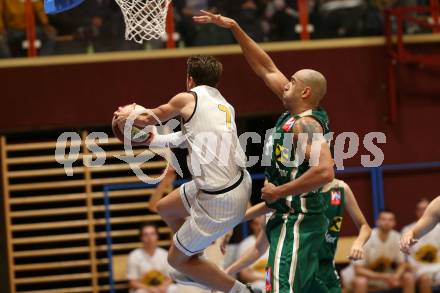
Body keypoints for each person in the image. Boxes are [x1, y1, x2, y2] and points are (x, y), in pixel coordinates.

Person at [194, 10, 335, 292]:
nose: (286, 83)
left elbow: (325, 171)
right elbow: (265, 67)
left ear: (305, 92)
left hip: (299, 223)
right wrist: (233, 26)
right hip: (286, 218)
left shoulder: (305, 125)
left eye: (292, 82)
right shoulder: (293, 116)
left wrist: (279, 192)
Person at [114, 55, 255, 293]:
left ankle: (241, 291)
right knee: (165, 207)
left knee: (174, 263)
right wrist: (155, 139)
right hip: (232, 185)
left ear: (189, 80)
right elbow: (188, 138)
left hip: (219, 200)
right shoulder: (224, 104)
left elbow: (150, 117)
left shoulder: (187, 98)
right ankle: (193, 257)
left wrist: (124, 116)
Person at [223, 179, 371, 293]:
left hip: (324, 269)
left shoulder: (340, 189)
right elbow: (259, 247)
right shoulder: (291, 192)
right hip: (289, 271)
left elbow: (364, 226)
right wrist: (228, 225)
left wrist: (358, 243)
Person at [351, 210, 415, 293]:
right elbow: (358, 270)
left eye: (390, 220)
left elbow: (402, 264)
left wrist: (395, 276)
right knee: (361, 282)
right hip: (366, 276)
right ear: (377, 221)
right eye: (384, 219)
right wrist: (384, 277)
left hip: (386, 274)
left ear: (394, 223)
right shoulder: (367, 237)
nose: (387, 222)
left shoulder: (397, 237)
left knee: (409, 277)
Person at [401, 198, 440, 293]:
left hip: (437, 268)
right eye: (421, 209)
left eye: (425, 208)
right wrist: (409, 235)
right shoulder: (407, 229)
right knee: (419, 278)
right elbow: (404, 261)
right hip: (418, 269)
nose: (424, 211)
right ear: (416, 211)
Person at [127, 223, 178, 293]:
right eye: (146, 235)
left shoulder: (164, 254)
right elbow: (133, 282)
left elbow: (169, 277)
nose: (149, 238)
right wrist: (150, 289)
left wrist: (162, 287)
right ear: (141, 237)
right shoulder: (134, 255)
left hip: (161, 288)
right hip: (144, 289)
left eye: (152, 234)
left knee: (174, 289)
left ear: (157, 236)